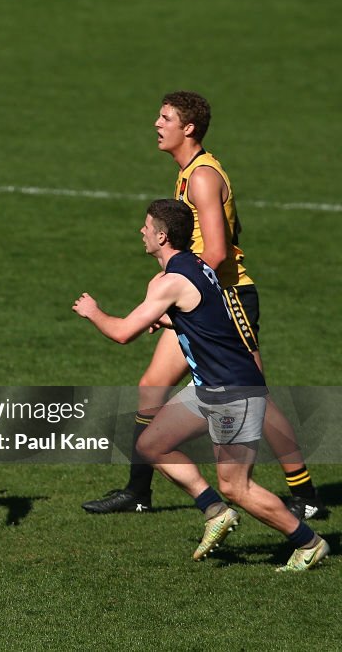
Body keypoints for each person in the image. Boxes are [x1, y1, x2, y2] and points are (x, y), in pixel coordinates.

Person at [82, 91, 325, 520]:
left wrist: (173, 295)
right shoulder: (188, 174)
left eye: (165, 118)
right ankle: (138, 491)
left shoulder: (202, 177)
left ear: (188, 128)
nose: (157, 124)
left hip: (225, 299)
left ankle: (305, 494)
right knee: (152, 386)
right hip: (199, 296)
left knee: (255, 395)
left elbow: (216, 251)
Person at [74, 199, 328, 571]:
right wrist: (172, 323)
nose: (141, 232)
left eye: (146, 227)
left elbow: (124, 333)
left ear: (162, 236)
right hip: (209, 388)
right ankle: (213, 511)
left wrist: (93, 312)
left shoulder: (171, 282)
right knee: (152, 443)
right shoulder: (195, 267)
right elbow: (205, 319)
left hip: (232, 393)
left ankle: (308, 543)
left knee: (236, 487)